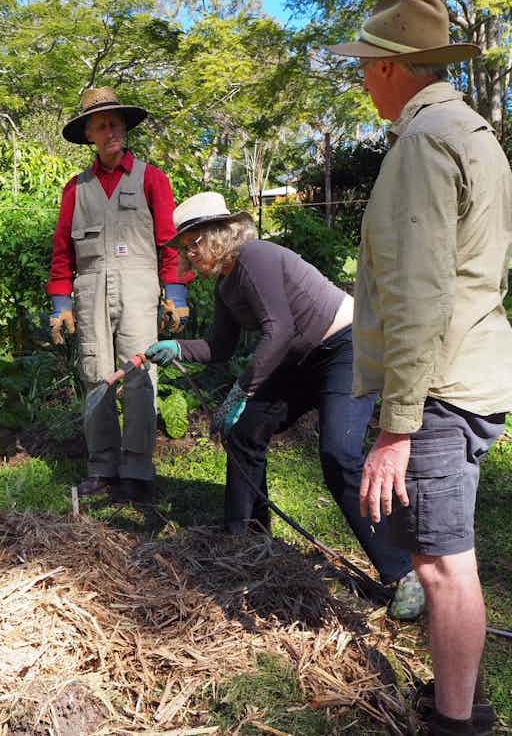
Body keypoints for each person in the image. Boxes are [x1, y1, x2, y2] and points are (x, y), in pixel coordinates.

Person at [327, 0, 512, 736]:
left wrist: (397, 427)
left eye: (367, 66)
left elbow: (420, 295)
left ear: (396, 68)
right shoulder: (474, 135)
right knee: (444, 558)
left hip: (437, 386)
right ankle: (459, 699)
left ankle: (457, 722)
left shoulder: (423, 144)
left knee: (441, 563)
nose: (363, 79)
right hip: (472, 371)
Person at [146, 190, 425, 620]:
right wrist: (177, 349)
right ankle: (245, 541)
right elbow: (219, 347)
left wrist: (242, 391)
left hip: (346, 347)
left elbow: (278, 331)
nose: (188, 255)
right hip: (301, 358)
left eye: (192, 244)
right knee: (243, 433)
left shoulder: (254, 257)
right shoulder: (225, 285)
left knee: (339, 455)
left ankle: (404, 572)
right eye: (184, 247)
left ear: (218, 235)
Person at [47, 87, 192, 504]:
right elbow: (62, 252)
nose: (110, 131)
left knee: (140, 376)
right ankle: (102, 467)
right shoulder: (76, 189)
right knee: (96, 377)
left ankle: (138, 470)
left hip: (139, 289)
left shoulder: (152, 178)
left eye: (115, 123)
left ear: (124, 128)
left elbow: (170, 243)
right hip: (90, 291)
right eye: (101, 125)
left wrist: (176, 293)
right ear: (89, 134)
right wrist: (61, 304)